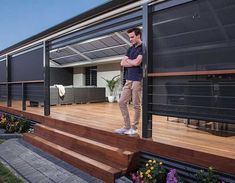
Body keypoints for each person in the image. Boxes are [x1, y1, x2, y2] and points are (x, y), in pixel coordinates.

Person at [115, 28, 143, 135]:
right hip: (128, 79)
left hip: (137, 79)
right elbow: (122, 63)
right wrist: (132, 62)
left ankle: (134, 127)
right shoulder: (130, 49)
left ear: (138, 36)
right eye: (129, 37)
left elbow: (137, 62)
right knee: (122, 102)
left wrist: (130, 61)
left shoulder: (142, 48)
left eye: (132, 37)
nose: (130, 39)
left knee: (136, 104)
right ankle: (126, 126)